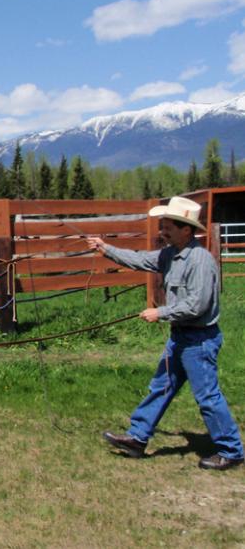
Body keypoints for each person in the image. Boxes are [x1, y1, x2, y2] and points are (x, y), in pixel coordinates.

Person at [87, 195, 244, 471]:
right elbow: (139, 260)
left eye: (169, 224)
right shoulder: (169, 254)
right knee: (161, 387)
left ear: (186, 229)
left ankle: (231, 451)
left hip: (200, 341)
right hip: (180, 338)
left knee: (207, 396)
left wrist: (160, 312)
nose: (164, 229)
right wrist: (106, 249)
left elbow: (198, 304)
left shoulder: (201, 261)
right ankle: (137, 438)